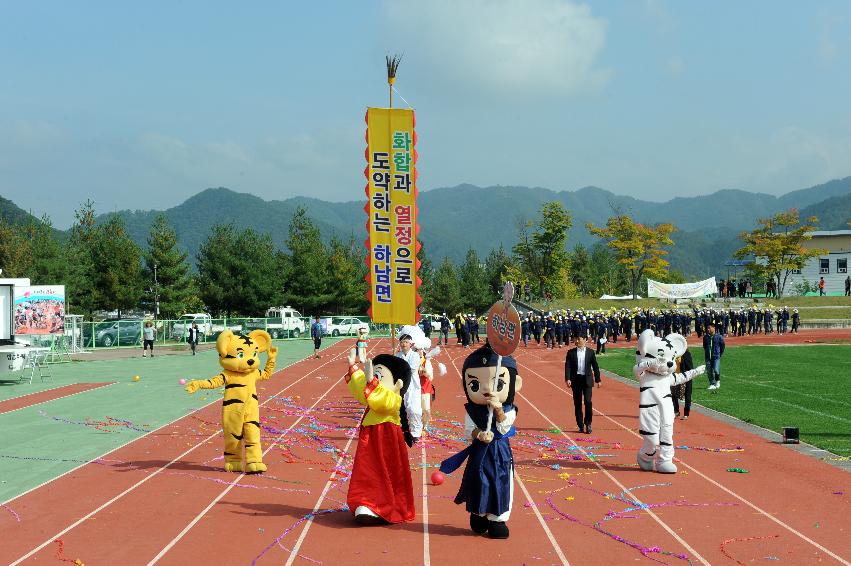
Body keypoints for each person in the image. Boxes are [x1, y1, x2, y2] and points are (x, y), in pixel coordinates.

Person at [564, 335, 601, 434]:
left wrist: (598, 379)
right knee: (578, 403)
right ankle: (580, 425)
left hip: (587, 380)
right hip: (576, 380)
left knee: (588, 401)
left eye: (578, 339)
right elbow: (568, 366)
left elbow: (595, 366)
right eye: (576, 339)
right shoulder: (571, 352)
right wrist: (567, 378)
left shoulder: (590, 352)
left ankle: (588, 424)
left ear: (584, 340)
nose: (576, 340)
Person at [394, 330, 423, 446]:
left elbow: (410, 369)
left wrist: (398, 366)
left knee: (414, 409)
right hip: (400, 386)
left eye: (406, 342)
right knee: (401, 409)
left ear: (410, 344)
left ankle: (416, 433)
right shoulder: (397, 356)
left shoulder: (415, 355)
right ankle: (403, 430)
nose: (404, 344)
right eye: (402, 342)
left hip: (413, 386)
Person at [671, 350, 695, 420]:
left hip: (685, 377)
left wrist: (686, 376)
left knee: (687, 395)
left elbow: (690, 367)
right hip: (675, 377)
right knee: (673, 395)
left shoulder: (686, 353)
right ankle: (676, 411)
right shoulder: (673, 353)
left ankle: (686, 414)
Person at [702, 324, 725, 390]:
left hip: (716, 357)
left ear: (714, 328)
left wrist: (719, 354)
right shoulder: (705, 337)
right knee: (709, 371)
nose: (708, 329)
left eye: (709, 328)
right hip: (708, 357)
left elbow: (722, 346)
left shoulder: (719, 337)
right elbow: (704, 346)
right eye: (707, 328)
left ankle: (718, 381)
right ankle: (712, 384)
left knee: (716, 370)